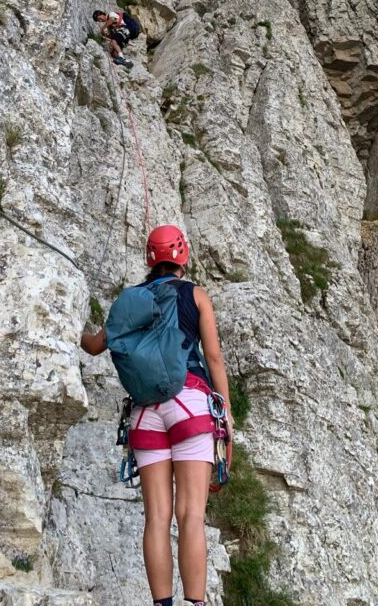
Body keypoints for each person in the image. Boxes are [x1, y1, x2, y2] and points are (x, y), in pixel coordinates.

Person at [81, 225, 232, 606]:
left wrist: (73, 320)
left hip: (144, 414)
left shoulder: (130, 299)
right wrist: (226, 415)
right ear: (183, 255)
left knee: (157, 518)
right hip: (190, 405)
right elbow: (213, 357)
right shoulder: (196, 295)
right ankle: (195, 604)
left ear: (150, 257)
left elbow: (95, 346)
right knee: (191, 515)